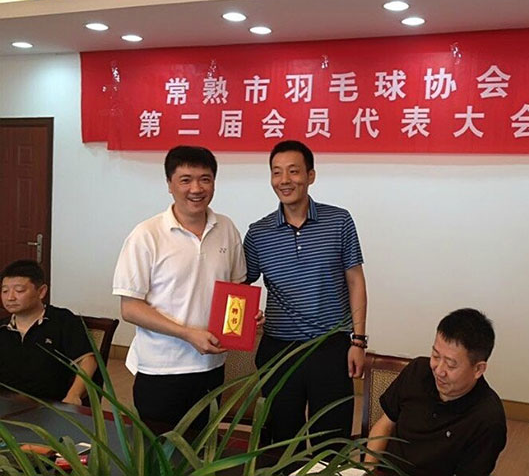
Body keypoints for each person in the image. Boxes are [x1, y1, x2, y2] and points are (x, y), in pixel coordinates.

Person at [113, 145, 258, 429]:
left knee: (204, 445)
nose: (196, 188)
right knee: (159, 449)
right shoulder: (146, 235)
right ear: (169, 184)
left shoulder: (226, 228)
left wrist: (247, 317)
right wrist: (187, 334)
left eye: (205, 179)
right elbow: (130, 308)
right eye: (185, 180)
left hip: (211, 366)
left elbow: (237, 287)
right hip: (161, 368)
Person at [244, 140, 368, 445]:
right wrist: (247, 317)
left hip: (330, 346)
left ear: (310, 175)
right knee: (281, 439)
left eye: (293, 171)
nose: (284, 180)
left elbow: (355, 281)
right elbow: (239, 284)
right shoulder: (258, 233)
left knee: (331, 438)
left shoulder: (339, 221)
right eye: (276, 172)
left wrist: (358, 341)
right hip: (279, 349)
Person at [366, 308, 507, 476]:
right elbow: (385, 424)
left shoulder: (488, 419)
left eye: (450, 364)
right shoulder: (417, 371)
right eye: (435, 356)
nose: (439, 370)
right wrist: (367, 471)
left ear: (478, 369)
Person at [0, 259, 97, 405]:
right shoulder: (3, 327)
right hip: (7, 405)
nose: (10, 297)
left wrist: (74, 395)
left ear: (41, 292)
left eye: (19, 290)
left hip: (51, 406)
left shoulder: (63, 320)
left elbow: (88, 361)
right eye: (5, 291)